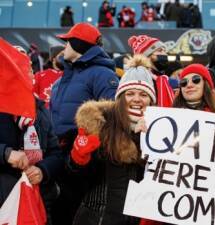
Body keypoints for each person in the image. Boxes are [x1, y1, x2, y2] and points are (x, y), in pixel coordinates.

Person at [50, 22, 119, 225]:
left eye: (68, 43)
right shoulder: (65, 77)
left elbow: (111, 115)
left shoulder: (102, 74)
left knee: (75, 211)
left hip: (86, 156)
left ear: (79, 45)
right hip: (59, 152)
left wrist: (86, 146)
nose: (64, 48)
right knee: (59, 210)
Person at [67, 66, 154, 225]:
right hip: (97, 218)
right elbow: (79, 179)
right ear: (120, 97)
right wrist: (78, 160)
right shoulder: (101, 124)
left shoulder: (158, 131)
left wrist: (143, 136)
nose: (136, 99)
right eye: (129, 93)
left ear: (151, 101)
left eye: (143, 94)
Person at [0, 43, 64, 225]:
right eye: (21, 69)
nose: (29, 74)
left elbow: (55, 154)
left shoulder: (39, 108)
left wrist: (43, 170)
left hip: (37, 199)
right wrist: (6, 153)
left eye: (29, 69)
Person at [128, 35, 175, 107]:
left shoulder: (159, 77)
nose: (165, 54)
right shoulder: (139, 76)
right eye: (160, 50)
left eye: (165, 51)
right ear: (147, 56)